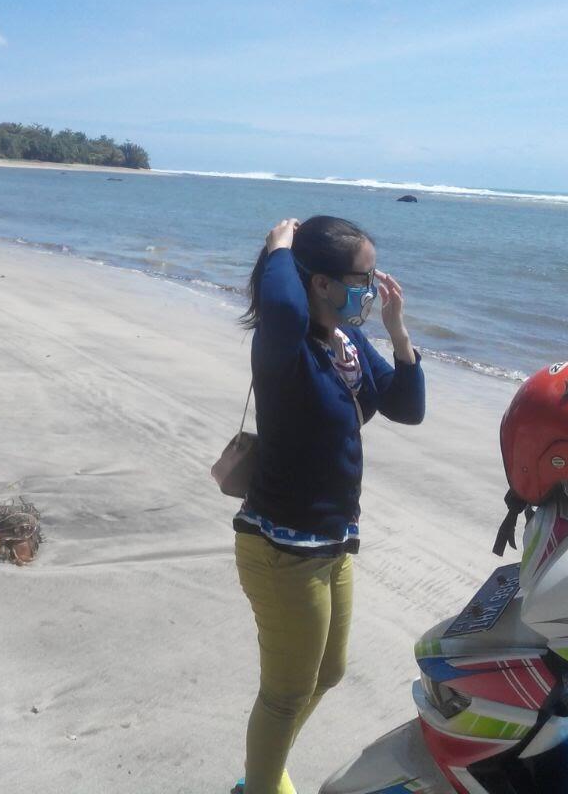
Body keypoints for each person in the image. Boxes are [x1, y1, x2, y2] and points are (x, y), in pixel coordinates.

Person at [232, 215, 426, 794]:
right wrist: (280, 246)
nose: (372, 289)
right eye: (362, 278)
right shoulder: (283, 347)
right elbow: (286, 308)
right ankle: (260, 784)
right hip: (280, 547)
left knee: (329, 672)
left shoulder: (348, 344)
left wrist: (398, 333)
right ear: (319, 282)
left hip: (334, 540)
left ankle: (264, 767)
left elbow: (407, 408)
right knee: (286, 691)